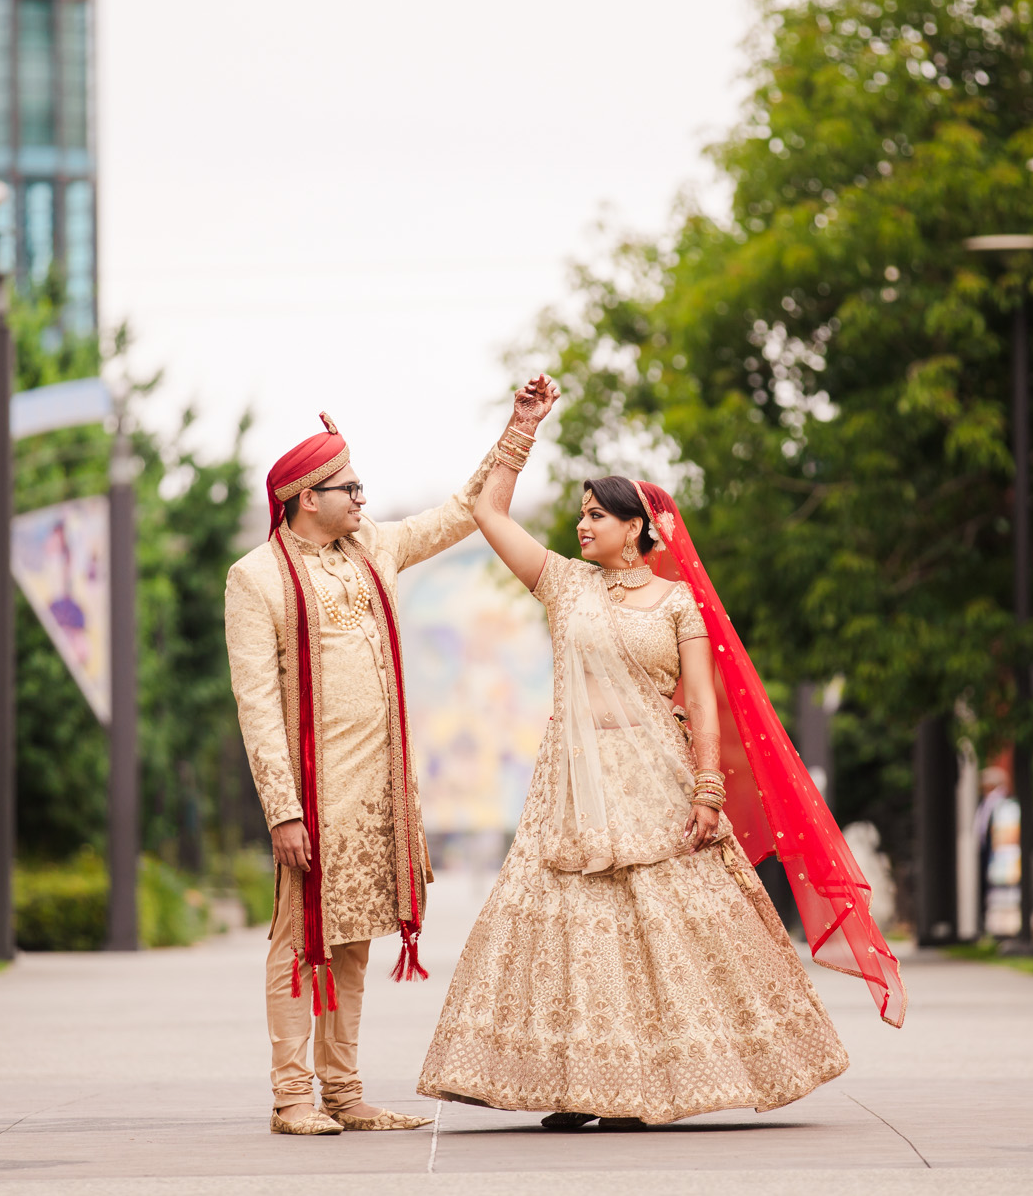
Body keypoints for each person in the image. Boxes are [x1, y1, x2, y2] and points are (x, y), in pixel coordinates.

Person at [417, 376, 906, 1128]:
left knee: (666, 929)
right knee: (573, 927)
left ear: (639, 527)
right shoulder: (564, 586)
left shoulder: (679, 605)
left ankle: (652, 1085)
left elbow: (702, 703)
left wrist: (708, 792)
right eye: (580, 514)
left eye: (597, 515)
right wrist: (522, 428)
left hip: (659, 777)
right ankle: (579, 1086)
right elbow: (487, 509)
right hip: (574, 785)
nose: (583, 526)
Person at [225, 391, 549, 1136]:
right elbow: (257, 707)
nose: (363, 499)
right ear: (308, 499)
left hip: (378, 793)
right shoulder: (257, 579)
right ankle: (291, 1098)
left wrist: (518, 430)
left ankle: (344, 1094)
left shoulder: (375, 547)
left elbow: (464, 509)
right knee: (298, 941)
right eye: (350, 489)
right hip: (311, 796)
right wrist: (283, 808)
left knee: (354, 941)